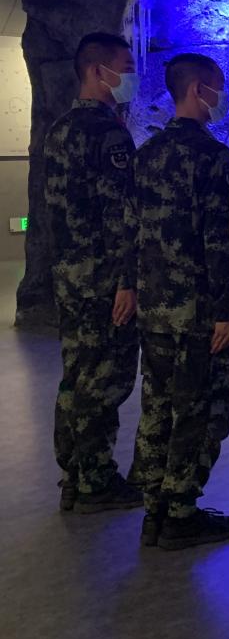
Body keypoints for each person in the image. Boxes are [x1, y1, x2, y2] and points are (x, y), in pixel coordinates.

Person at [128, 53, 229, 550]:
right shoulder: (214, 159)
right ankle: (180, 513)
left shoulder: (146, 155)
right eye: (218, 86)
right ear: (199, 90)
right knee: (200, 411)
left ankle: (154, 509)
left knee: (157, 406)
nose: (223, 97)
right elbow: (220, 243)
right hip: (198, 313)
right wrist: (226, 311)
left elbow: (132, 232)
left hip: (155, 309)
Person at [44, 33, 143, 514]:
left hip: (71, 275)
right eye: (126, 67)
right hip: (104, 279)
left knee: (77, 374)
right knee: (105, 379)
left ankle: (74, 473)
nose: (131, 76)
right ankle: (96, 480)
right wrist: (128, 280)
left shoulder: (59, 130)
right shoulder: (108, 134)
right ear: (97, 70)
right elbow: (123, 215)